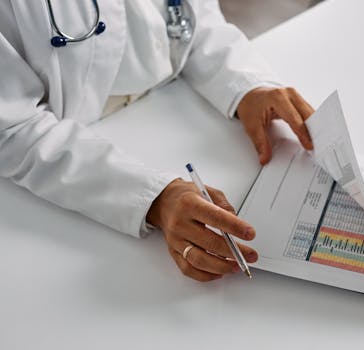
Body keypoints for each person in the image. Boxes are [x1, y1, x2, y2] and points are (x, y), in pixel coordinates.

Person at [0, 0, 314, 281]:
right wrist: (154, 198)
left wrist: (247, 86)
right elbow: (12, 127)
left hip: (172, 109)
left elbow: (192, 21)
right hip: (62, 182)